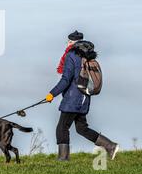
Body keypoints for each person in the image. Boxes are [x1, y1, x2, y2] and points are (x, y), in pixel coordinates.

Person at [45, 32, 119, 161]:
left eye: (68, 41)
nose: (67, 44)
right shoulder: (87, 55)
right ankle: (110, 146)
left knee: (62, 127)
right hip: (85, 96)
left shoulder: (71, 55)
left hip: (73, 98)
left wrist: (52, 94)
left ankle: (63, 158)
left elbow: (66, 79)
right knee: (81, 128)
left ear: (73, 43)